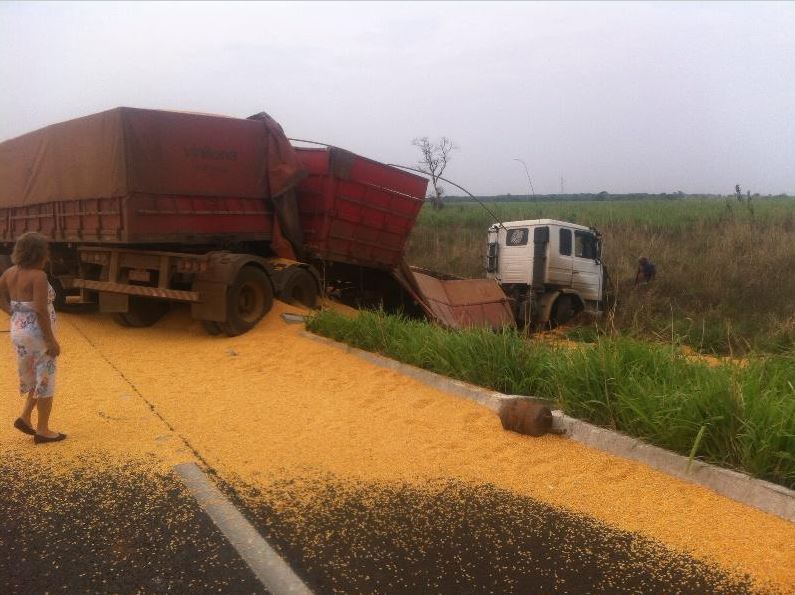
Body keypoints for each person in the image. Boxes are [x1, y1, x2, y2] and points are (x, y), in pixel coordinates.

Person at [0, 232, 65, 443]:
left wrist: (12, 311)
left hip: (18, 332)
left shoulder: (9, 273)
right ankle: (43, 430)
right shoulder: (38, 276)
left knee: (35, 376)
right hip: (37, 334)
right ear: (40, 252)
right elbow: (40, 310)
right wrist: (50, 340)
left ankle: (25, 417)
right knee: (46, 379)